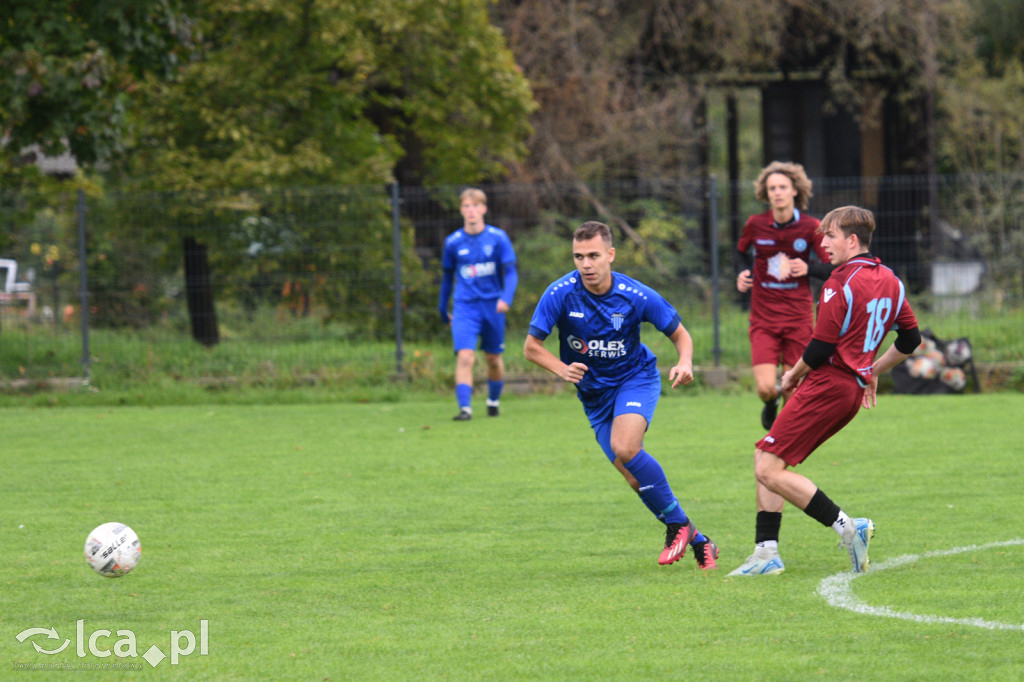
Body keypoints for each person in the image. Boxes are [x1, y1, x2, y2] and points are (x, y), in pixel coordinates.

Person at [728, 206, 921, 576]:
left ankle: (849, 528)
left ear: (851, 240)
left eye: (829, 235)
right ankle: (766, 553)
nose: (823, 242)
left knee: (768, 467)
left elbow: (819, 349)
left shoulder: (840, 282)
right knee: (768, 456)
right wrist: (872, 369)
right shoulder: (891, 281)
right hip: (847, 389)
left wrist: (791, 376)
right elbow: (911, 338)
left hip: (827, 385)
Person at [524, 221, 719, 569]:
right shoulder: (560, 293)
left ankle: (676, 527)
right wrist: (561, 369)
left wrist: (685, 362)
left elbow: (680, 334)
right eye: (579, 256)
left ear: (610, 255)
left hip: (635, 379)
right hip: (594, 398)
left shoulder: (635, 294)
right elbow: (531, 347)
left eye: (594, 255)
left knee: (626, 448)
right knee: (634, 477)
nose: (586, 264)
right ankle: (699, 538)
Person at [736, 161, 833, 430]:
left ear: (794, 191)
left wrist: (809, 268)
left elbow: (831, 268)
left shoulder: (812, 226)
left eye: (782, 187)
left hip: (798, 318)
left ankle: (778, 446)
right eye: (772, 188)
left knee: (794, 389)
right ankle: (770, 402)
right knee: (767, 387)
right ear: (766, 194)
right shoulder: (756, 224)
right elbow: (741, 253)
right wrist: (743, 273)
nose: (777, 192)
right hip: (764, 319)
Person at [438, 188, 518, 421]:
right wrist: (443, 309)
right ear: (461, 210)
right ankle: (466, 408)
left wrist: (506, 298)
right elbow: (446, 278)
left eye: (475, 206)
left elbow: (511, 272)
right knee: (465, 356)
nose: (471, 211)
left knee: (493, 359)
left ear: (483, 208)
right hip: (465, 306)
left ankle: (493, 401)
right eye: (466, 206)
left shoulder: (498, 237)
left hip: (492, 306)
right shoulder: (453, 242)